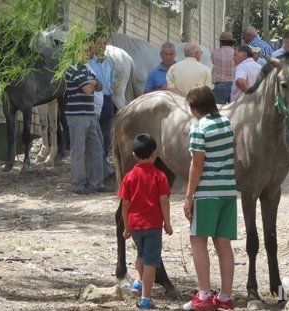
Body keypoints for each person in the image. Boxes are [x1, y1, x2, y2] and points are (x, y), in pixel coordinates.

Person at [182, 85, 237, 311]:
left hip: (207, 192)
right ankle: (225, 297)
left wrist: (188, 195)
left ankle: (204, 295)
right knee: (223, 243)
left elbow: (197, 163)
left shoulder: (199, 127)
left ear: (195, 107)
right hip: (228, 190)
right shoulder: (226, 123)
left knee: (198, 240)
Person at [119, 133, 173, 309]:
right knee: (151, 261)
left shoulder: (129, 177)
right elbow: (164, 201)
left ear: (134, 154)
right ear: (155, 153)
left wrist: (127, 226)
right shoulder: (160, 176)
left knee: (141, 253)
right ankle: (145, 298)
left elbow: (125, 204)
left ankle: (137, 281)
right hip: (153, 226)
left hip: (135, 226)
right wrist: (167, 222)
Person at [65, 44, 105, 194]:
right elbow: (89, 90)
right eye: (86, 50)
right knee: (78, 150)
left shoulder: (86, 69)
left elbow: (100, 86)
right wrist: (93, 83)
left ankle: (95, 183)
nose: (90, 53)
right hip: (77, 115)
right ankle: (78, 184)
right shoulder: (73, 69)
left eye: (90, 50)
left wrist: (93, 84)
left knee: (96, 148)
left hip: (89, 114)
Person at [87, 33, 117, 178]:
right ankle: (94, 169)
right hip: (93, 102)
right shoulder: (89, 63)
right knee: (94, 135)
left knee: (106, 134)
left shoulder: (109, 62)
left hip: (107, 100)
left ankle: (104, 166)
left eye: (104, 43)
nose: (102, 46)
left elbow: (111, 80)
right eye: (99, 43)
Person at [211, 32, 236, 104]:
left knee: (219, 110)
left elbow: (213, 61)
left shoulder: (215, 53)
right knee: (232, 109)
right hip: (233, 85)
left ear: (221, 42)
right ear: (231, 42)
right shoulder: (235, 53)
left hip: (219, 86)